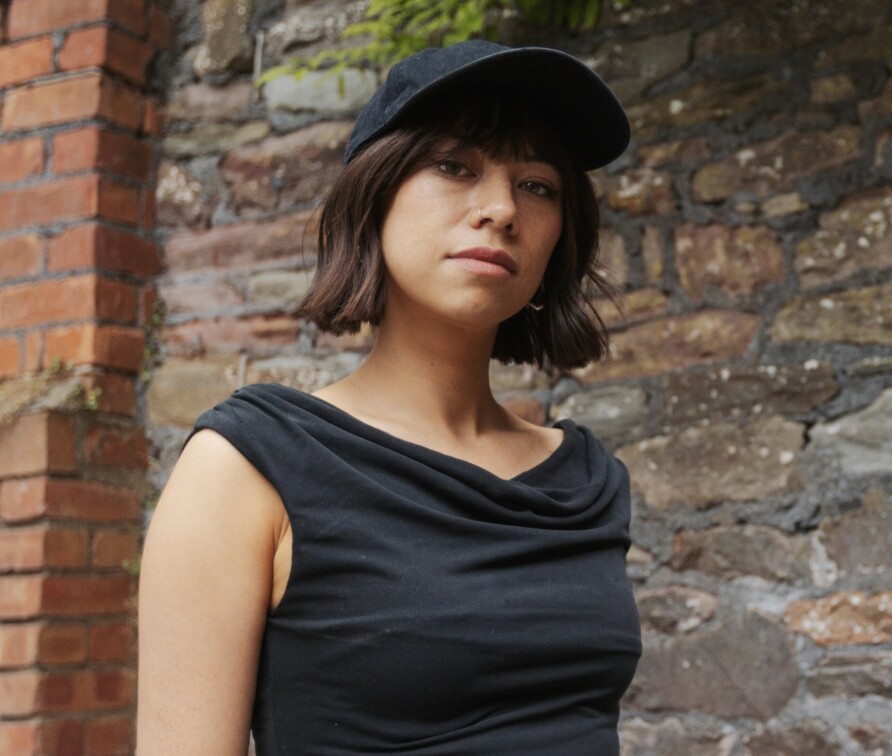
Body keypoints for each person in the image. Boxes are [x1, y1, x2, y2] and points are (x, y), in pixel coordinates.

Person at [137, 40, 641, 755]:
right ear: (372, 195)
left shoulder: (587, 482)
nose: (501, 209)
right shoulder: (249, 466)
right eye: (454, 166)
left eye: (537, 185)